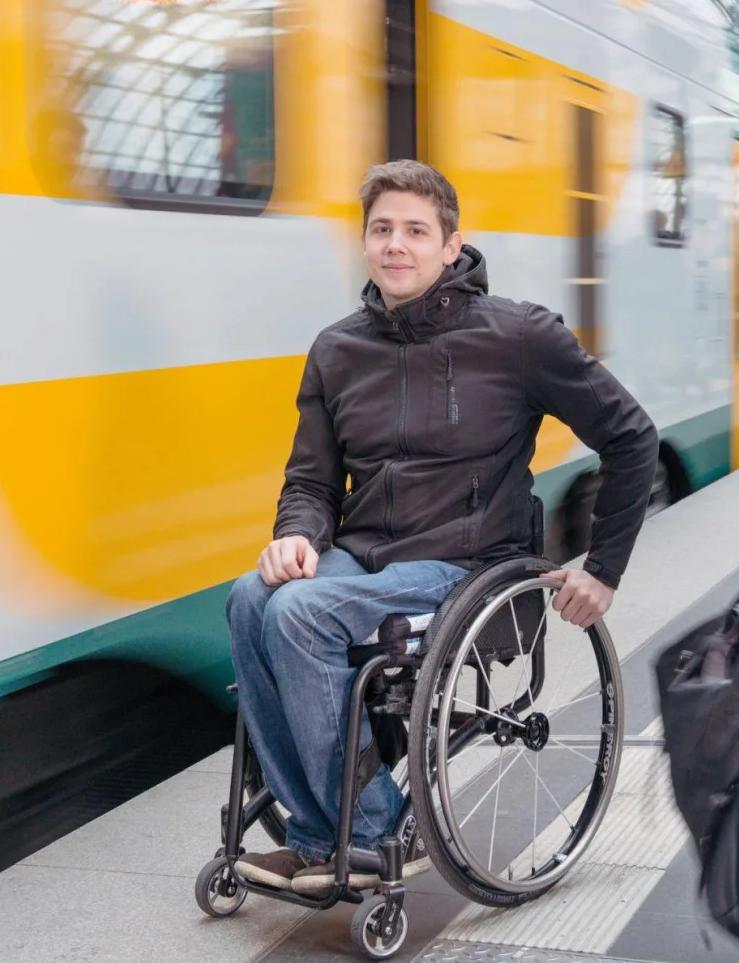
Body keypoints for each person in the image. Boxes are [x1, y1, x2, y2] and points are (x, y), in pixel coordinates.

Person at [227, 159, 659, 895]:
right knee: (249, 596)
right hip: (364, 558)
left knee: (298, 613)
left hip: (466, 567)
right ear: (364, 242)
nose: (397, 245)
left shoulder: (518, 335)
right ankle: (322, 827)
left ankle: (365, 831)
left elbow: (631, 437)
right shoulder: (337, 349)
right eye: (382, 229)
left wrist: (603, 567)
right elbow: (311, 482)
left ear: (451, 245)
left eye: (415, 231)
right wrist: (297, 532)